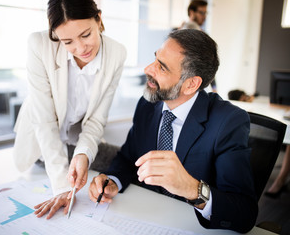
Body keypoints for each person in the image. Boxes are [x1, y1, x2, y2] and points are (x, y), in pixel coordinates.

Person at [89, 29, 258, 233]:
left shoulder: (228, 122)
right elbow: (128, 157)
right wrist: (113, 180)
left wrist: (193, 189)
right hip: (143, 219)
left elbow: (245, 213)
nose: (148, 69)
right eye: (155, 59)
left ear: (191, 84)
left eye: (162, 68)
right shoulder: (148, 104)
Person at [13, 0, 126, 219]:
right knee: (60, 163)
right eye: (67, 42)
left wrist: (83, 154)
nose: (80, 48)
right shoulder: (38, 45)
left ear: (99, 20)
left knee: (122, 159)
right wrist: (61, 187)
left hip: (76, 141)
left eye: (86, 34)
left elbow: (96, 120)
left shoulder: (117, 53)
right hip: (42, 142)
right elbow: (44, 121)